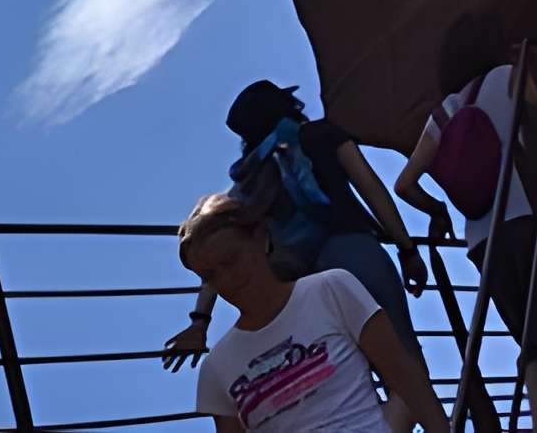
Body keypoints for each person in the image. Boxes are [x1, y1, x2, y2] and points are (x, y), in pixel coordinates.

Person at [164, 80, 433, 370]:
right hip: (354, 253)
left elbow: (216, 254)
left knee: (350, 376)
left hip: (296, 280)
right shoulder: (322, 134)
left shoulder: (247, 179)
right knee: (404, 357)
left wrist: (200, 322)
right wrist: (407, 249)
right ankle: (446, 413)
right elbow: (372, 189)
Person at [395, 14, 537, 430]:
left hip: (481, 242)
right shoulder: (510, 75)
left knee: (527, 331)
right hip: (528, 213)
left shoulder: (445, 112)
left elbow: (405, 184)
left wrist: (437, 211)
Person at [179, 192, 452, 433]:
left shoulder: (331, 290)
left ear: (261, 238)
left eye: (231, 260)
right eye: (210, 275)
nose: (227, 279)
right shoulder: (216, 368)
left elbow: (410, 384)